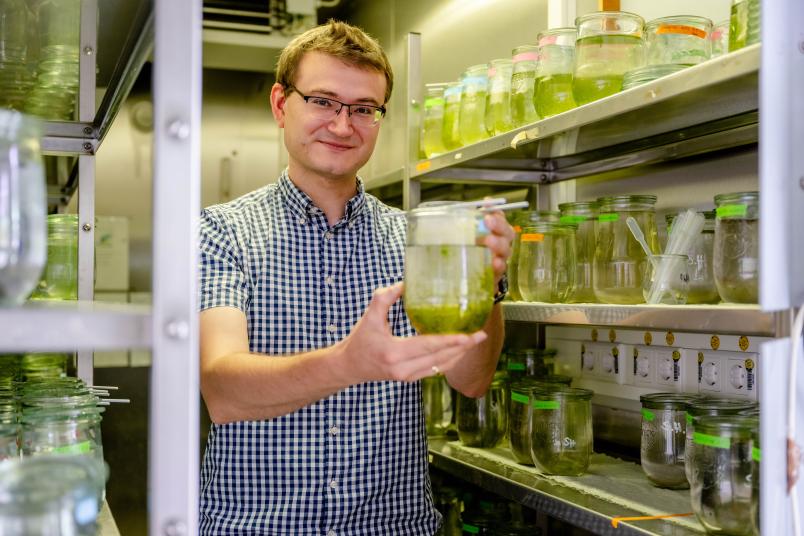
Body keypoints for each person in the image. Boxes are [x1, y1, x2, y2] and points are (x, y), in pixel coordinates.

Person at [198, 20, 514, 535]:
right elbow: (224, 390)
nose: (343, 126)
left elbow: (471, 379)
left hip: (393, 526)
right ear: (281, 105)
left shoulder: (416, 238)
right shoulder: (221, 232)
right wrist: (349, 363)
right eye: (323, 101)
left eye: (364, 109)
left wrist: (487, 283)